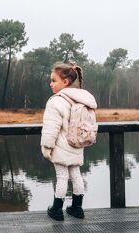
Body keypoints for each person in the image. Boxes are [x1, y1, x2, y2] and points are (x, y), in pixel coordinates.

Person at [40, 62, 97, 221]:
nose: (50, 84)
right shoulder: (81, 98)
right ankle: (77, 208)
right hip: (77, 144)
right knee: (76, 175)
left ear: (65, 82)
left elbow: (51, 127)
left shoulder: (56, 101)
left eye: (53, 80)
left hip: (61, 146)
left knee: (62, 177)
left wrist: (46, 146)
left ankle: (57, 209)